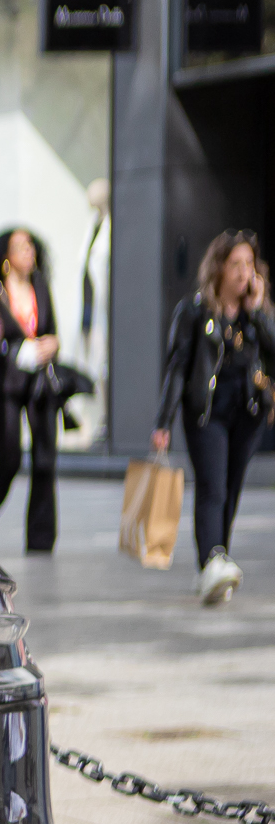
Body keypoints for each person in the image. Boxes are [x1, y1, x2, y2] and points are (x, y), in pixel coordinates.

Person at [155, 229, 275, 606]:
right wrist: (163, 421)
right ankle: (212, 560)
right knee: (213, 487)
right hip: (206, 413)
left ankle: (214, 562)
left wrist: (257, 312)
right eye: (235, 264)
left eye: (249, 265)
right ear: (219, 268)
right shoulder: (193, 311)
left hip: (248, 414)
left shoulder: (256, 314)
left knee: (232, 489)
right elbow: (177, 367)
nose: (243, 273)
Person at [0, 227, 63, 551]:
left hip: (40, 383)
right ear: (6, 256)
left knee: (44, 459)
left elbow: (52, 331)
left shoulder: (41, 286)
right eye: (20, 246)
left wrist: (52, 343)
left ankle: (41, 538)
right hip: (6, 383)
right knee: (10, 457)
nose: (29, 252)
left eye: (31, 246)